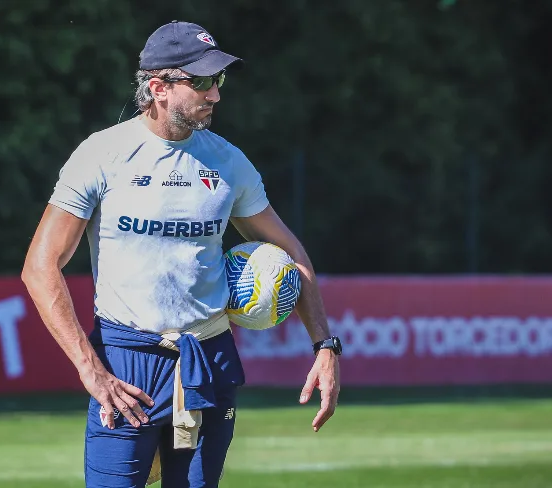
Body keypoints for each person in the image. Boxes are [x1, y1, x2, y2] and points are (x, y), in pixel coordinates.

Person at [22, 20, 341, 488]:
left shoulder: (228, 161)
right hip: (126, 365)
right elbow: (39, 266)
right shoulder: (102, 154)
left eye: (219, 81)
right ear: (158, 88)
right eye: (202, 82)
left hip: (208, 359)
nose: (214, 94)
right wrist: (91, 370)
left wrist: (324, 346)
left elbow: (290, 252)